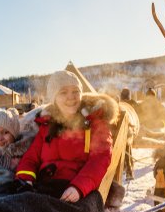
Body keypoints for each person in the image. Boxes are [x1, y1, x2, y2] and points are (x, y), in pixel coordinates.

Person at [15, 70, 117, 203]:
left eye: (75, 91)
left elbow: (100, 159)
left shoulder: (95, 123)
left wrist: (78, 187)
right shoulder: (47, 126)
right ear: (54, 98)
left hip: (76, 191)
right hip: (43, 187)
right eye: (63, 92)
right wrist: (25, 179)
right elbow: (31, 158)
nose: (71, 97)